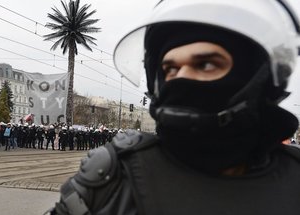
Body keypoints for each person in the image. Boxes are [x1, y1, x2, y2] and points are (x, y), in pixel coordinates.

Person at [49, 0, 300, 214]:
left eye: (206, 65)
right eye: (170, 68)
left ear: (258, 79)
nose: (180, 79)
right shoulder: (110, 178)